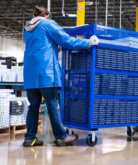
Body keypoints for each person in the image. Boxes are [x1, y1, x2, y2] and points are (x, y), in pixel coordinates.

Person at [23, 6, 99, 147]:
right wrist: (87, 42)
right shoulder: (48, 24)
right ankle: (61, 137)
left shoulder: (28, 29)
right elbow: (66, 40)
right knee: (53, 105)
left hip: (30, 74)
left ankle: (29, 138)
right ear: (46, 16)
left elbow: (41, 46)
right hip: (45, 72)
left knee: (33, 106)